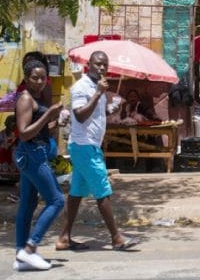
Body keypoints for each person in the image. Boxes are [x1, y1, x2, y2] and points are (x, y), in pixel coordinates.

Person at [56, 51, 138, 253]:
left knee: (75, 194)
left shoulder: (96, 87)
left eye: (105, 65)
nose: (102, 68)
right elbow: (80, 115)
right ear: (89, 64)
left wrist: (111, 108)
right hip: (84, 146)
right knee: (103, 189)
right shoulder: (81, 87)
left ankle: (64, 238)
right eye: (98, 64)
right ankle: (116, 237)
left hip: (90, 145)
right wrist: (99, 94)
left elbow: (95, 114)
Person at [12, 59, 65, 272]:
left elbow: (39, 129)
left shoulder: (36, 97)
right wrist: (48, 114)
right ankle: (30, 247)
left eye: (43, 77)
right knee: (57, 200)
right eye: (35, 77)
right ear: (26, 79)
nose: (40, 81)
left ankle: (20, 255)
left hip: (35, 151)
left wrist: (55, 123)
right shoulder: (25, 99)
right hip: (32, 153)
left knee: (27, 204)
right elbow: (24, 133)